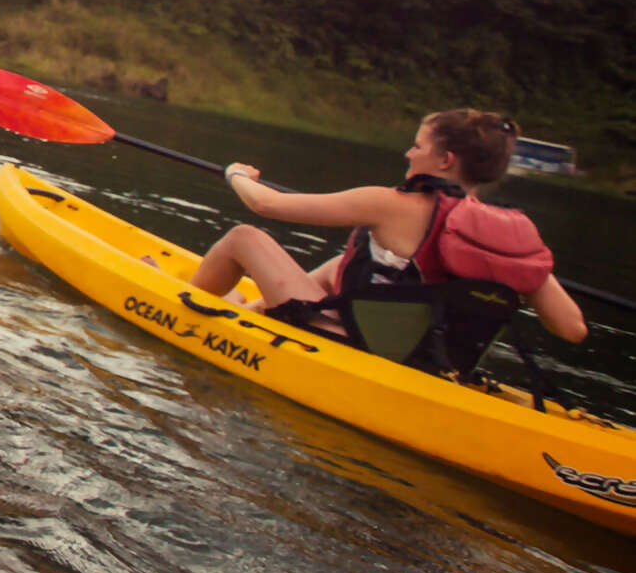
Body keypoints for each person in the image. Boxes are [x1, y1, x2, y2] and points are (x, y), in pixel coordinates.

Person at [190, 109, 587, 377]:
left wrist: (236, 173)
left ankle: (184, 307)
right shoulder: (506, 238)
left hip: (355, 351)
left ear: (445, 159)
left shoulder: (392, 204)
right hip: (429, 366)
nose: (408, 152)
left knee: (243, 237)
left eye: (418, 144)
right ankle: (250, 309)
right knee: (341, 265)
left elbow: (265, 204)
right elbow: (572, 329)